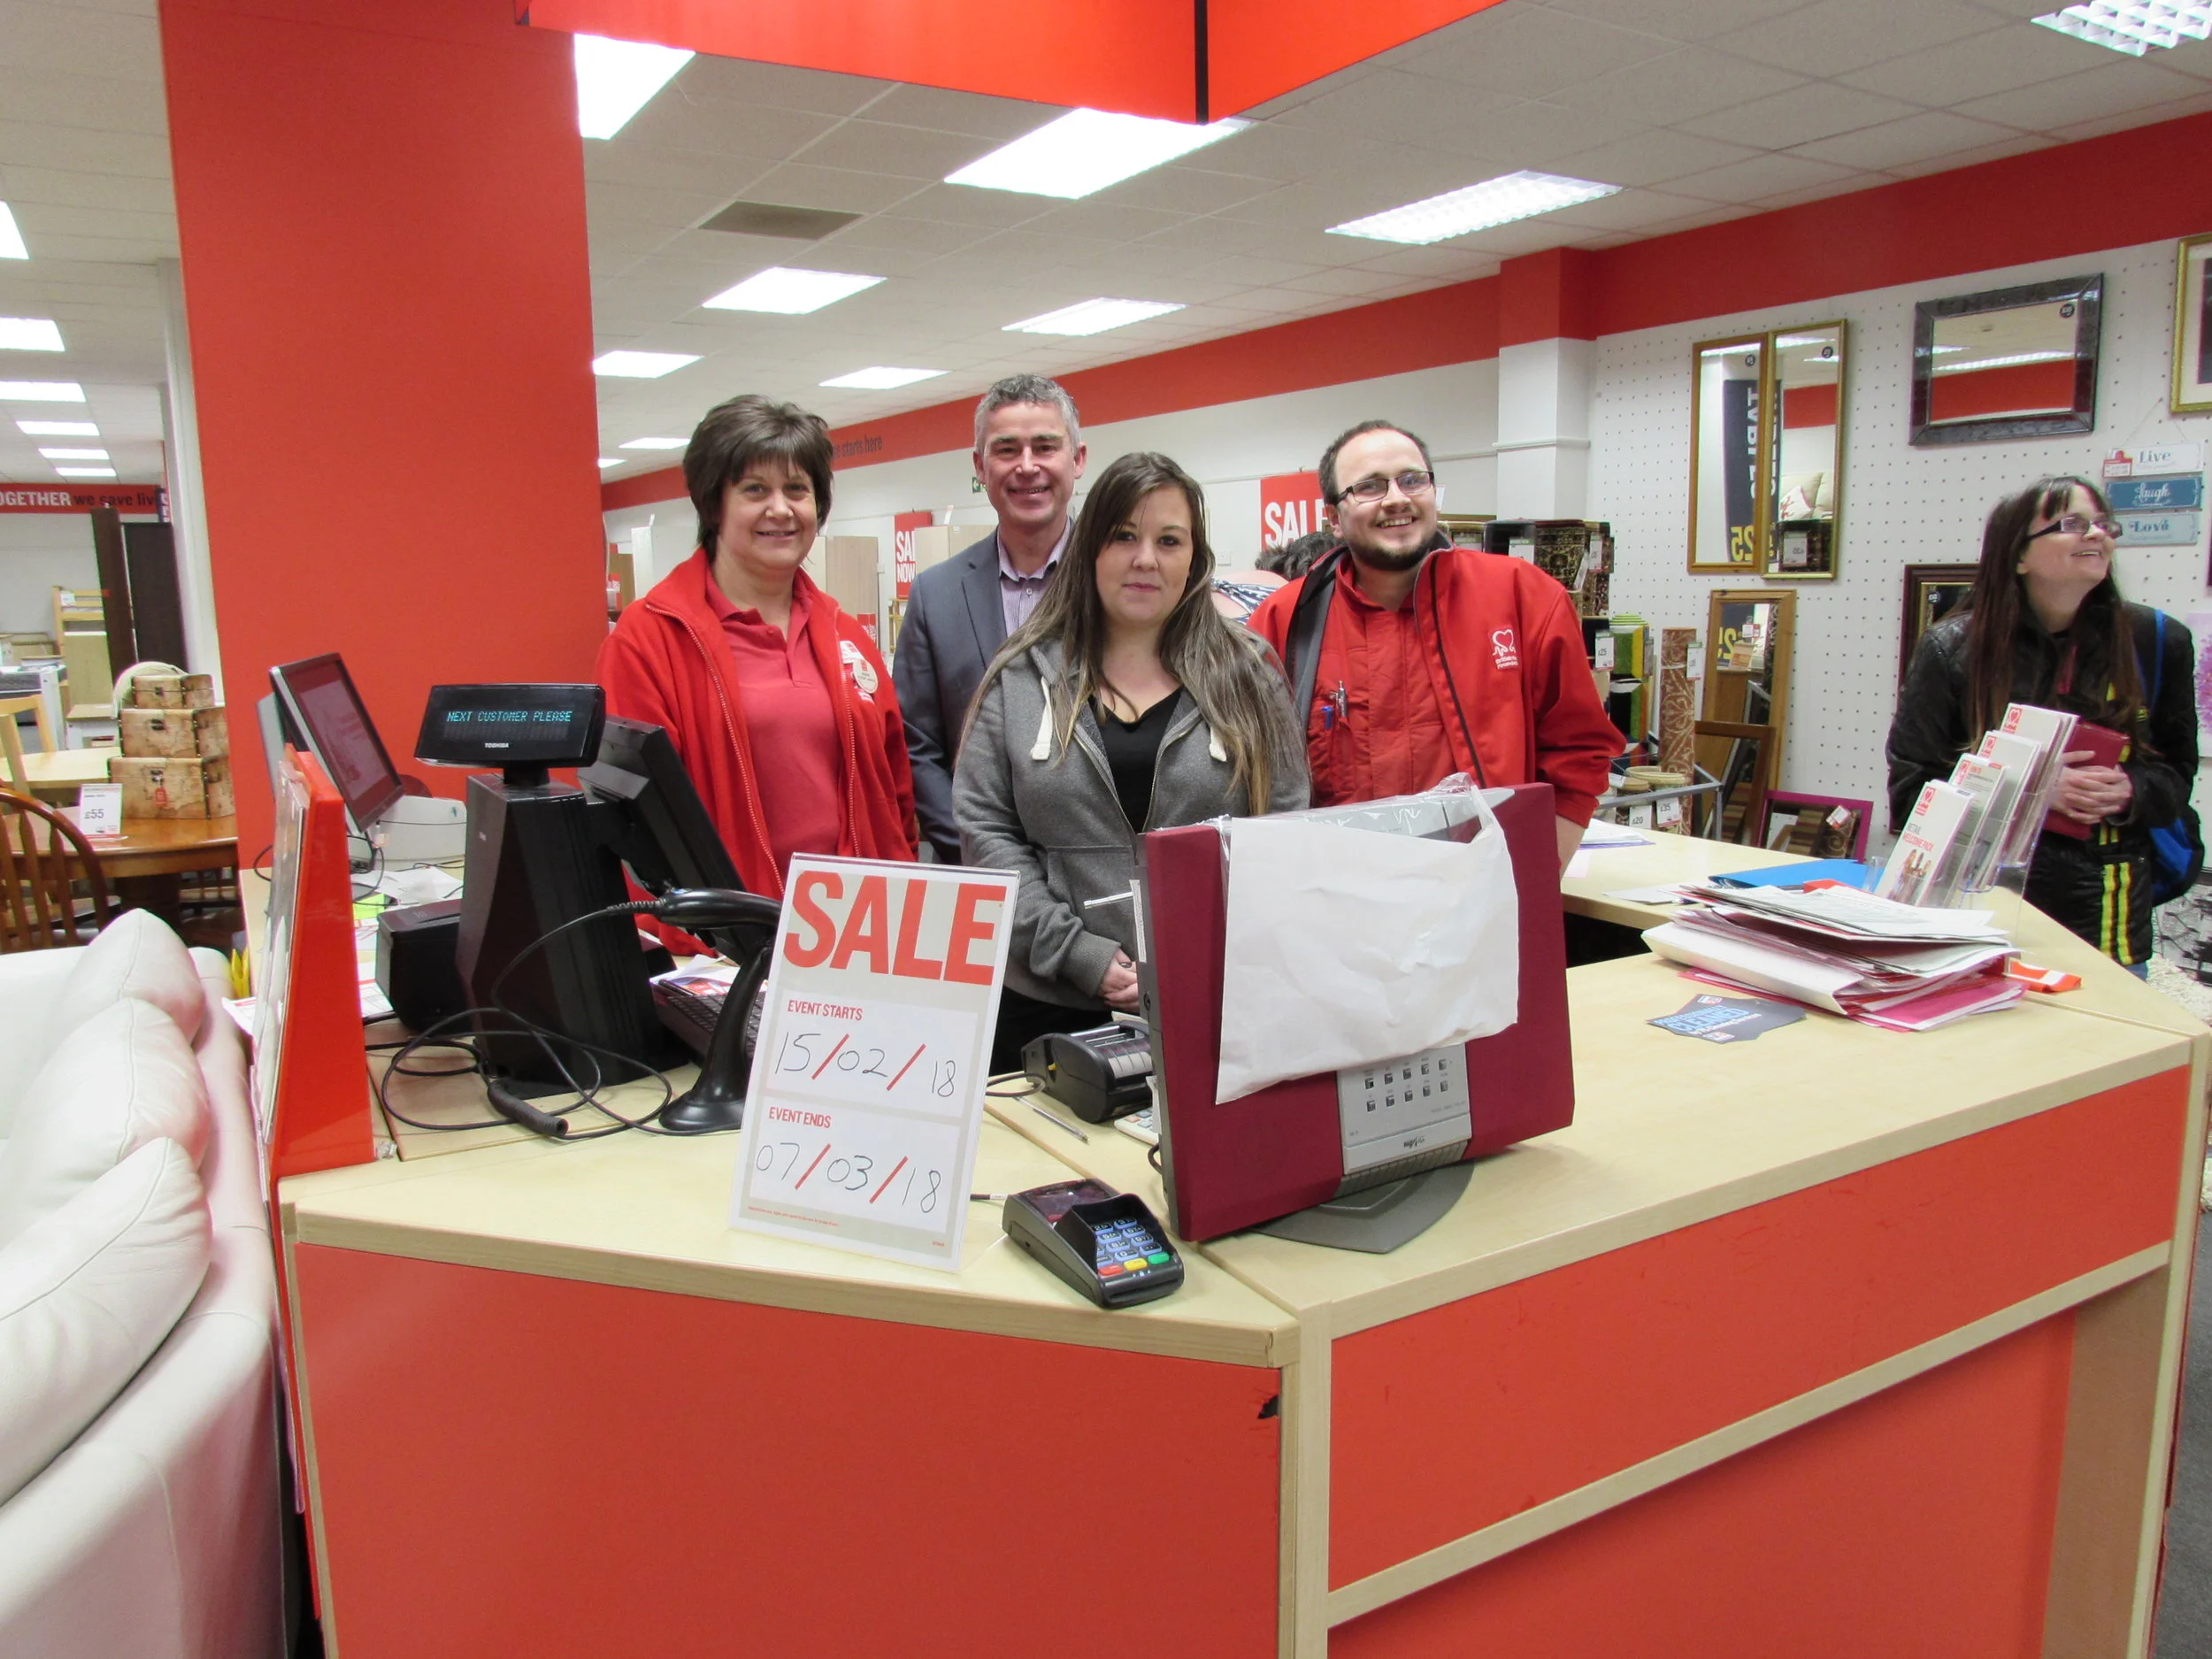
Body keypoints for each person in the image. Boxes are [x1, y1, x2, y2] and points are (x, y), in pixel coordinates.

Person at [955, 451, 1310, 1072]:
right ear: (1091, 548)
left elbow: (1282, 827)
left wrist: (1206, 955)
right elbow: (987, 833)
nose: (1145, 558)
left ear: (1194, 559)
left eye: (1168, 540)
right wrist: (1081, 956)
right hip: (1047, 1002)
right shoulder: (1019, 675)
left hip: (1217, 999)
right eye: (1124, 536)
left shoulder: (1250, 674)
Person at [1248, 419, 1621, 871]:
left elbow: (1578, 751)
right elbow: (1258, 770)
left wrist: (1535, 876)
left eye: (1412, 480)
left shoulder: (1522, 598)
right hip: (1339, 897)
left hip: (1483, 890)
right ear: (1334, 518)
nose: (1396, 498)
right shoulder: (1287, 619)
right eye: (1369, 487)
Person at [597, 394, 915, 906]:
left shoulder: (844, 633)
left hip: (858, 930)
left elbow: (896, 790)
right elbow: (634, 818)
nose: (781, 509)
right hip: (726, 934)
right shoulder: (649, 639)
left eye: (797, 489)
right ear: (712, 504)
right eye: (754, 489)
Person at [1886, 475, 2197, 972]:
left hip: (2110, 915)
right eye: (2071, 523)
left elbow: (2177, 775)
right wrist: (2030, 792)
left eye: (2102, 524)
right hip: (1981, 909)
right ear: (2018, 556)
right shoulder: (1952, 650)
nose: (2096, 535)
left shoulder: (2158, 640)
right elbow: (1912, 795)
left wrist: (2129, 791)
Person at [895, 374, 1085, 865]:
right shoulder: (935, 595)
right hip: (975, 875)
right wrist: (984, 848)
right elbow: (917, 746)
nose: (1027, 466)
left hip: (1092, 871)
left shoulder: (1120, 582)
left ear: (1078, 459)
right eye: (1006, 450)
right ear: (980, 465)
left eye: (1045, 446)